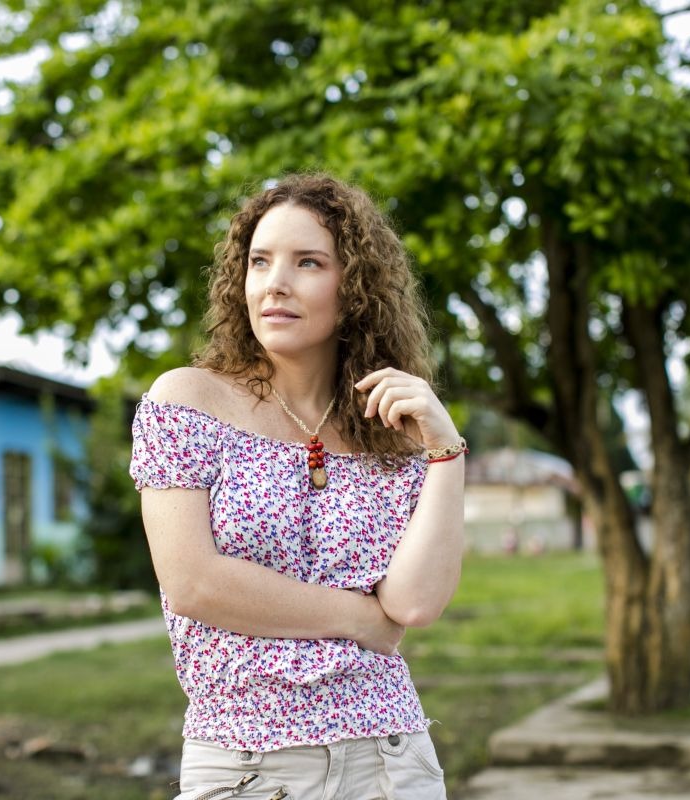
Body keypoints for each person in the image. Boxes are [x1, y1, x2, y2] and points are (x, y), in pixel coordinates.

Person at [130, 173, 466, 800]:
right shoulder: (186, 401)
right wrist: (360, 619)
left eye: (308, 262)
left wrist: (445, 451)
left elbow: (415, 606)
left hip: (391, 762)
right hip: (248, 767)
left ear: (356, 288)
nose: (275, 283)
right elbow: (194, 583)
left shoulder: (387, 428)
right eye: (260, 262)